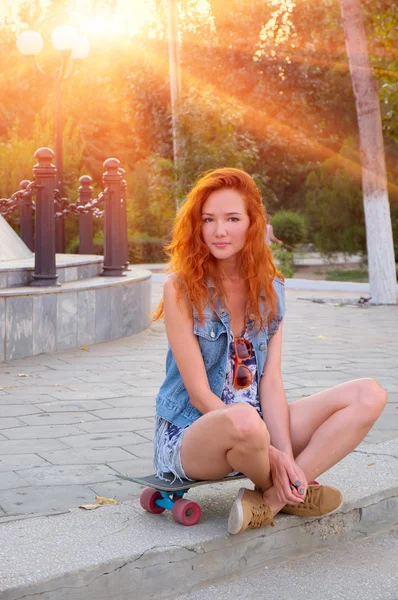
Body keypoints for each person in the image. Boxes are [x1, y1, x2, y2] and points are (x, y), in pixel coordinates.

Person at [152, 168, 387, 535]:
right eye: (209, 220)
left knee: (369, 393)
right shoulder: (180, 289)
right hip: (195, 434)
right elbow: (198, 393)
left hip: (257, 432)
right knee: (244, 419)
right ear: (197, 226)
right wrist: (274, 453)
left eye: (232, 219)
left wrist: (284, 453)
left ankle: (272, 500)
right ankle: (295, 487)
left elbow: (271, 382)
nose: (219, 231)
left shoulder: (272, 289)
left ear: (252, 223)